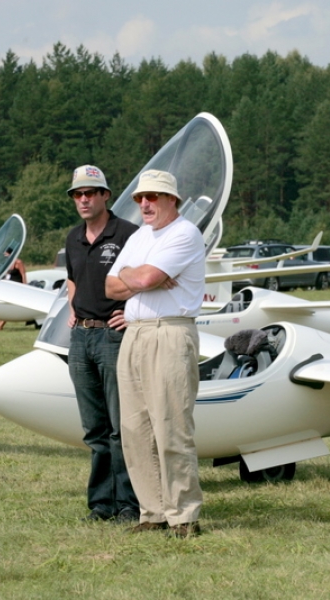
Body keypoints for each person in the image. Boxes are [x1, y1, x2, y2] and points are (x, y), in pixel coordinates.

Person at [105, 169, 205, 539]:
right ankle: (152, 513)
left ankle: (184, 515)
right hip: (134, 334)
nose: (144, 204)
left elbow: (138, 281)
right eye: (140, 198)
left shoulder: (184, 233)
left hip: (170, 332)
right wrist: (145, 276)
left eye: (153, 197)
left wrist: (140, 278)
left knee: (171, 427)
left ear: (171, 200)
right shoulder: (139, 237)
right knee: (135, 428)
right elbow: (110, 286)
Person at [64, 164, 140, 523]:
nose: (83, 199)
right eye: (78, 194)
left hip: (114, 337)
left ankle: (128, 504)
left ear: (106, 195)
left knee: (120, 427)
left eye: (90, 193)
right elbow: (73, 282)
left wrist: (132, 312)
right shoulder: (72, 238)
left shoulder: (129, 234)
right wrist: (72, 312)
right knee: (94, 429)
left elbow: (149, 279)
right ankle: (101, 506)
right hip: (81, 337)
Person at [0, 248, 28, 331]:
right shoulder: (8, 263)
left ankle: (0, 326)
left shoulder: (18, 262)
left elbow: (23, 274)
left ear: (11, 254)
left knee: (9, 306)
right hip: (9, 286)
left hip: (17, 287)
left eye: (6, 254)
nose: (5, 256)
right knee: (1, 305)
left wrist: (25, 286)